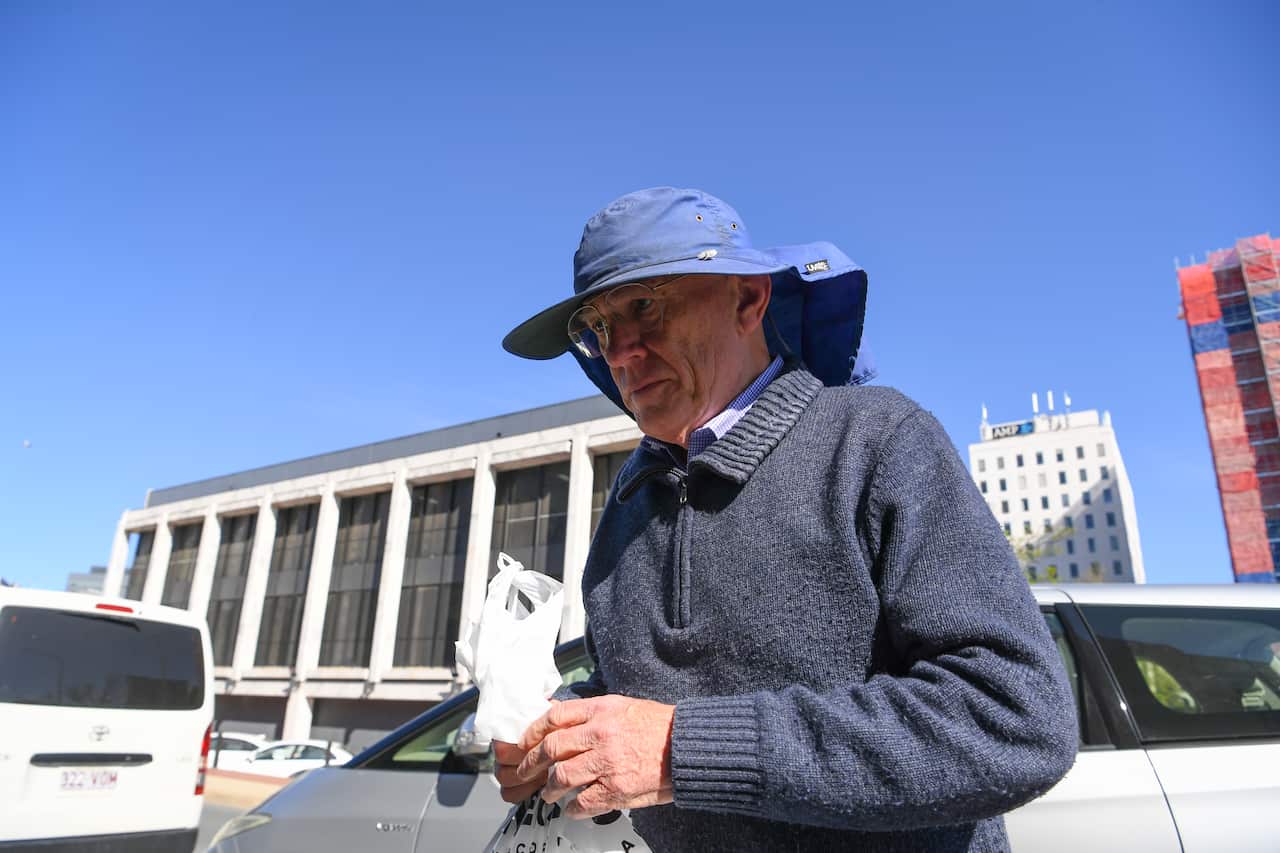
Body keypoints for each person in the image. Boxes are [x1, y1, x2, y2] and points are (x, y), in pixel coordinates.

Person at [494, 187, 1077, 852]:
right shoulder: (626, 504)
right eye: (597, 328)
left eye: (644, 306)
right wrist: (566, 742)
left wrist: (677, 750)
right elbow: (632, 702)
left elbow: (1015, 715)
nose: (620, 352)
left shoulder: (879, 441)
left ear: (747, 299)